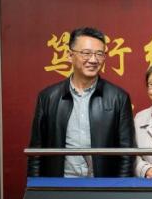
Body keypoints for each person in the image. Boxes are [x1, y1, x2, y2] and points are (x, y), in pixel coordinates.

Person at [28, 26, 134, 178]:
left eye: (99, 54)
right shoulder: (48, 97)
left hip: (102, 185)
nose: (93, 60)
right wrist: (35, 187)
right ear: (70, 55)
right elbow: (36, 152)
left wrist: (119, 188)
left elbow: (127, 154)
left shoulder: (118, 97)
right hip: (60, 184)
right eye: (86, 53)